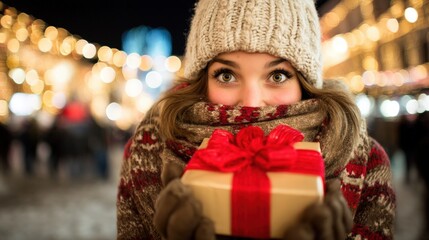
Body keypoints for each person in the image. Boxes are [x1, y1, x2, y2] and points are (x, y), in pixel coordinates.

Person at [116, 0, 396, 239]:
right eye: (227, 75)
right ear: (202, 81)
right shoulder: (149, 152)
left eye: (277, 76)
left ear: (304, 83)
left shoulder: (364, 160)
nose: (251, 102)